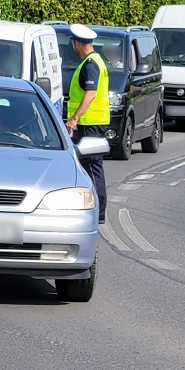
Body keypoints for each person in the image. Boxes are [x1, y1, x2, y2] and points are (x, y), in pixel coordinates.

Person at [65, 24, 110, 224]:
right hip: (93, 122)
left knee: (92, 168)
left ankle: (98, 212)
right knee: (91, 167)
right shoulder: (95, 60)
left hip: (89, 123)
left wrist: (74, 118)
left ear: (76, 43)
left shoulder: (90, 64)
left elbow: (90, 94)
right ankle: (96, 210)